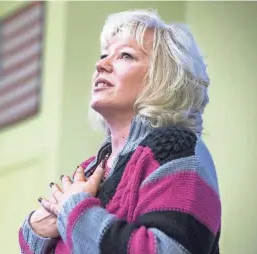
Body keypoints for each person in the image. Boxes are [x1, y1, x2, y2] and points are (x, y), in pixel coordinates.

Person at [18, 8, 221, 254]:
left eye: (125, 55)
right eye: (104, 55)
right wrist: (36, 231)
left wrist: (74, 211)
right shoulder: (90, 168)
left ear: (164, 78)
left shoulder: (178, 149)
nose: (100, 64)